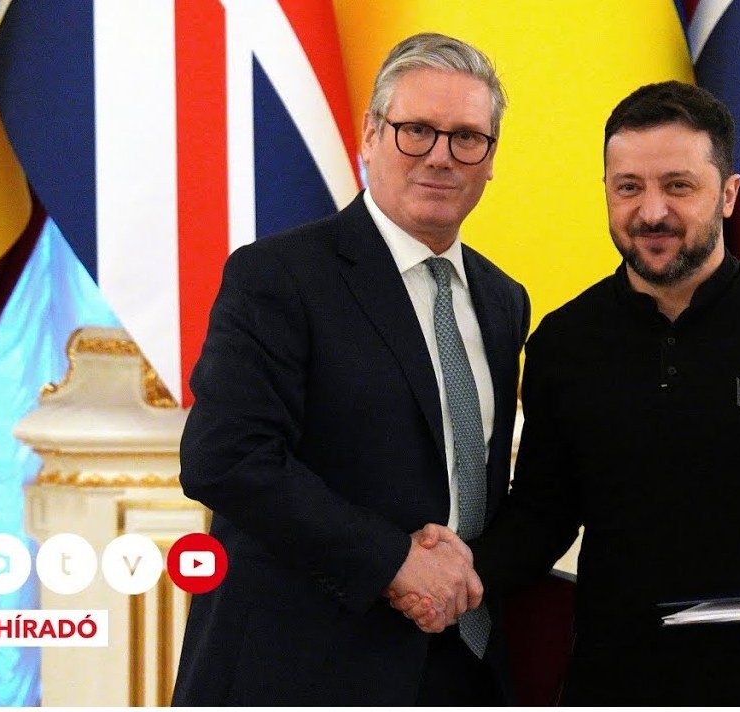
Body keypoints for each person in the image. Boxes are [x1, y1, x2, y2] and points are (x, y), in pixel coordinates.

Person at [396, 81, 740, 706]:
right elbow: (543, 513)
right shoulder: (564, 343)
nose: (651, 212)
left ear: (727, 194)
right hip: (612, 687)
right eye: (629, 187)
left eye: (678, 186)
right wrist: (455, 572)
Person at [170, 32, 530, 706]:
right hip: (303, 670)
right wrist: (394, 562)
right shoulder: (278, 275)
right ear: (370, 134)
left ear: (490, 159)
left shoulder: (503, 300)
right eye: (416, 131)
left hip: (461, 668)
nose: (440, 156)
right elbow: (225, 458)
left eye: (466, 138)